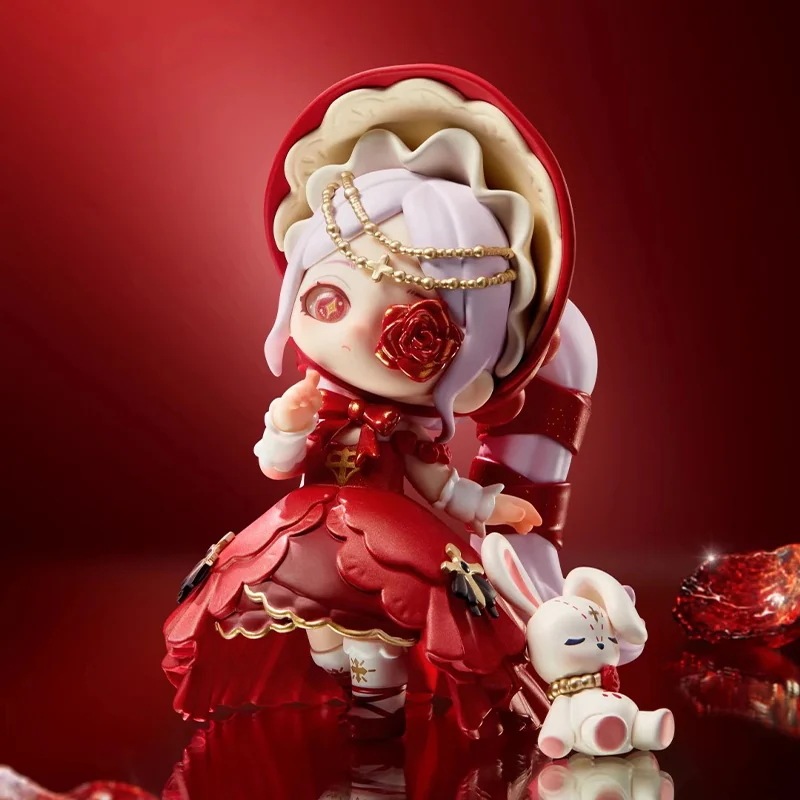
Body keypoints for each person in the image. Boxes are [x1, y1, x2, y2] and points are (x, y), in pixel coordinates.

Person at [163, 65, 586, 740]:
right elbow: (277, 464)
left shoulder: (405, 427)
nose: (357, 333)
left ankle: (375, 717)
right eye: (330, 299)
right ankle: (345, 696)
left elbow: (438, 485)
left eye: (408, 329)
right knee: (321, 636)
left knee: (373, 648)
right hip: (304, 531)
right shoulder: (316, 402)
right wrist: (287, 426)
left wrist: (490, 507)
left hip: (391, 541)